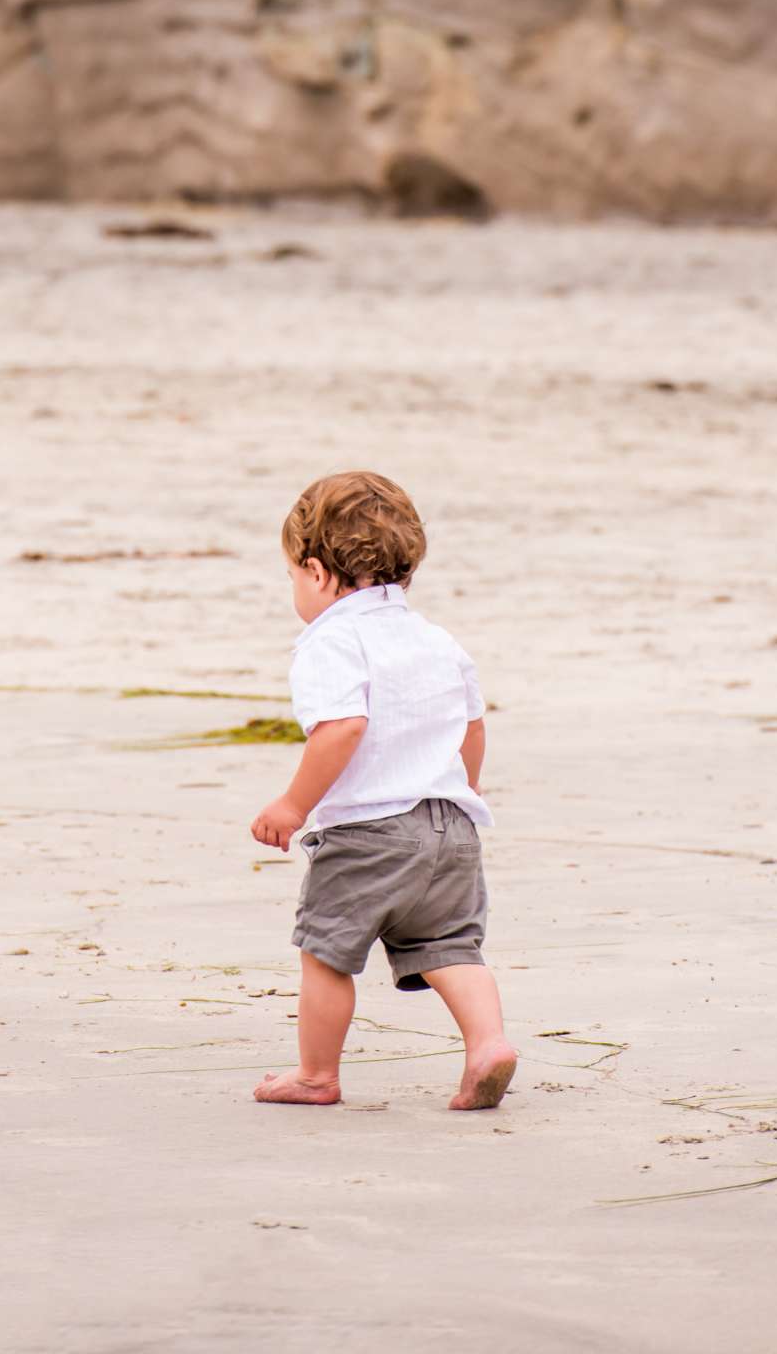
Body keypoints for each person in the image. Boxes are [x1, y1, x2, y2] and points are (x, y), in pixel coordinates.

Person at [250, 469, 516, 1110]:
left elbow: (341, 728)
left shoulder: (330, 641)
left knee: (326, 953)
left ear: (315, 571)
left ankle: (316, 1075)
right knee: (450, 948)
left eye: (290, 575)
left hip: (370, 832)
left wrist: (294, 805)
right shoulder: (435, 639)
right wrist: (463, 789)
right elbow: (472, 725)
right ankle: (488, 1045)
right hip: (451, 827)